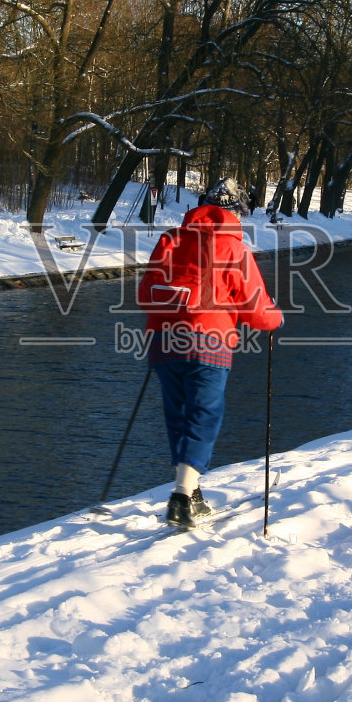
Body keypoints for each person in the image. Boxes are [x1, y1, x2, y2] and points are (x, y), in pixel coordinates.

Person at [137, 178, 283, 527]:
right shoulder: (233, 248)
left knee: (180, 416)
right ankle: (183, 498)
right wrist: (274, 318)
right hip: (208, 340)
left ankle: (189, 491)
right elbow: (255, 307)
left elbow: (146, 290)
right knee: (204, 415)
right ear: (234, 213)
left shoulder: (170, 239)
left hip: (162, 340)